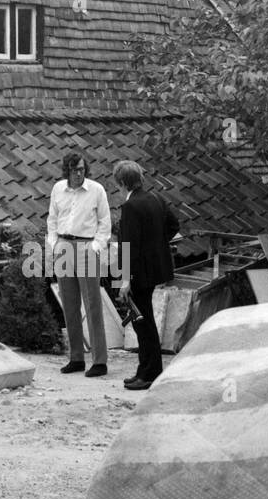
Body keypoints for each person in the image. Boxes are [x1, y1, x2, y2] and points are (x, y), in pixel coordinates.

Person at [112, 159, 179, 390]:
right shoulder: (156, 198)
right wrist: (157, 249)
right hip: (154, 270)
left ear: (122, 183)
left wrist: (125, 280)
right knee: (145, 321)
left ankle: (149, 374)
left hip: (139, 274)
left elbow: (128, 245)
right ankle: (146, 370)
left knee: (143, 323)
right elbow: (174, 225)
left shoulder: (131, 207)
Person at [46, 152, 112, 377]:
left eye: (82, 169)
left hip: (87, 247)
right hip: (64, 246)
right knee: (70, 304)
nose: (78, 174)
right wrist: (54, 244)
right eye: (74, 170)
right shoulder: (57, 189)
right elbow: (52, 220)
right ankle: (76, 358)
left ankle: (99, 361)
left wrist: (95, 247)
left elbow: (105, 223)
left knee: (92, 304)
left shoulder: (97, 190)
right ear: (67, 171)